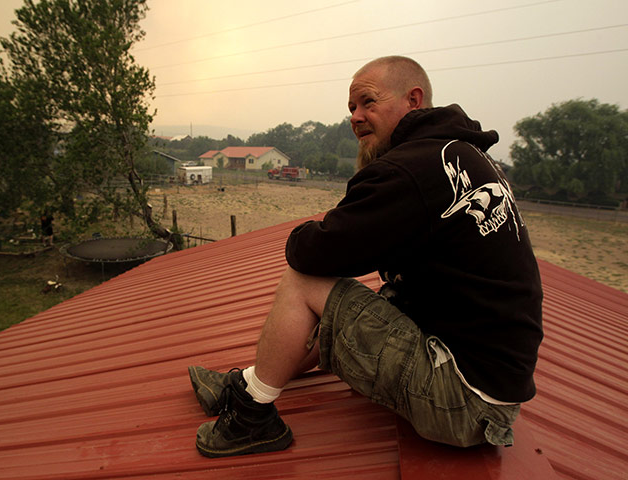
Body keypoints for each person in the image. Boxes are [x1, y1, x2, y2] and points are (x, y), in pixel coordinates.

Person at [188, 56, 543, 458]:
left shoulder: (411, 169)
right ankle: (249, 384)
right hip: (490, 390)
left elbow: (314, 252)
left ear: (413, 99)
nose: (355, 117)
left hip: (463, 402)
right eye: (351, 108)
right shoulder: (461, 154)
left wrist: (307, 229)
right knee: (379, 302)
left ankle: (252, 417)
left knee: (306, 282)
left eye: (367, 102)